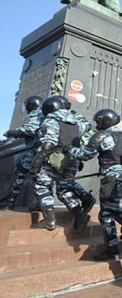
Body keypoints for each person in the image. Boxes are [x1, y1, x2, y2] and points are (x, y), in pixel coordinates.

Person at [70, 109, 122, 261]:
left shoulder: (102, 135)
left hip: (113, 179)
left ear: (105, 120)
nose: (97, 124)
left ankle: (112, 250)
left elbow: (85, 154)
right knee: (112, 207)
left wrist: (68, 149)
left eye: (98, 121)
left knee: (106, 213)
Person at [29, 97, 93, 231]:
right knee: (64, 189)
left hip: (55, 159)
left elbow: (47, 145)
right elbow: (87, 127)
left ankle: (49, 220)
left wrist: (35, 167)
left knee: (42, 186)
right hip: (72, 159)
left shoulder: (51, 121)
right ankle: (79, 215)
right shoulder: (75, 122)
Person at [2, 96, 44, 209]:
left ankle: (11, 201)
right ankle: (40, 203)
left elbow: (29, 130)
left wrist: (12, 132)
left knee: (22, 172)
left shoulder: (37, 113)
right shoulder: (44, 113)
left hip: (37, 149)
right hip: (42, 150)